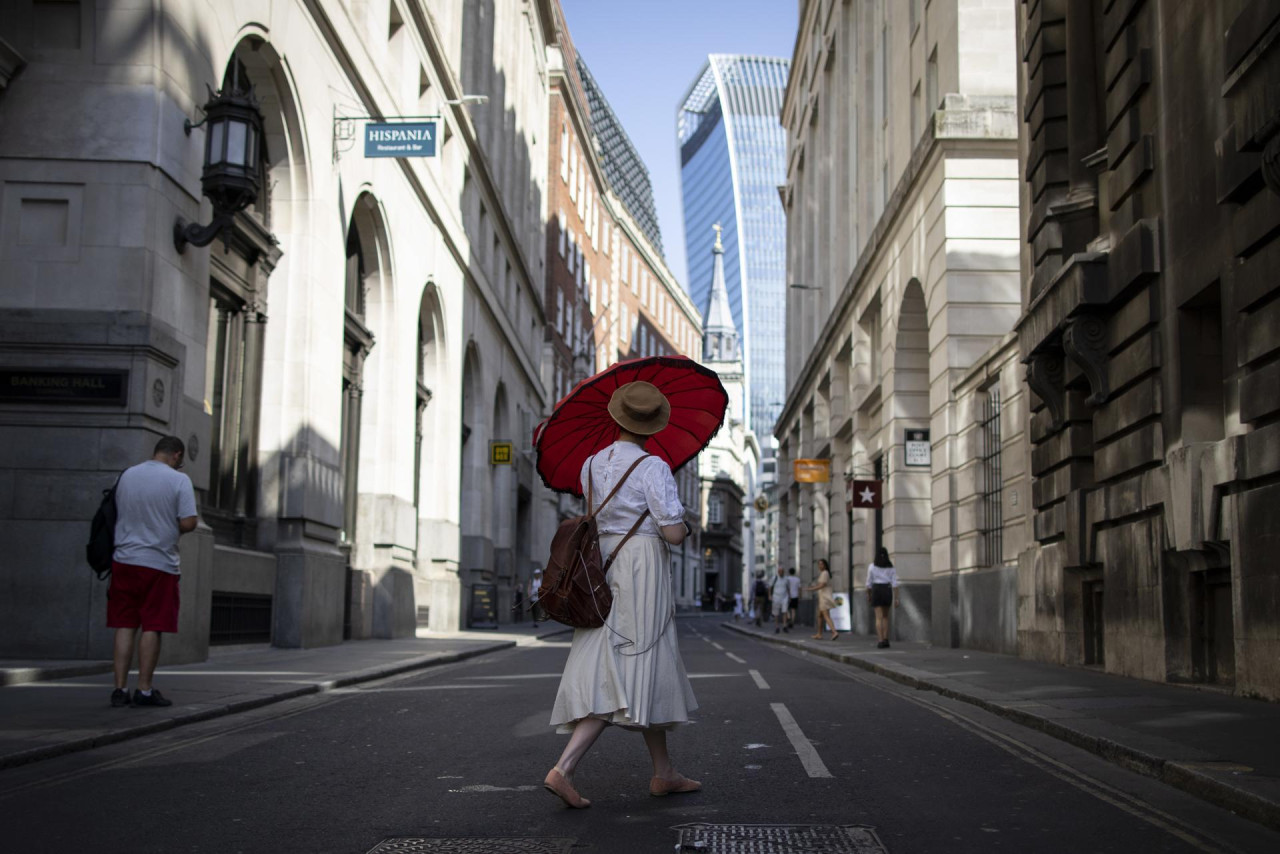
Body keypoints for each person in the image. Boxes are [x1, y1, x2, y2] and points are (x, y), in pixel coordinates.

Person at [544, 381, 700, 809]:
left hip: (601, 565)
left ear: (616, 418)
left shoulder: (591, 463)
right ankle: (564, 768)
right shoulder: (654, 467)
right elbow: (672, 534)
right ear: (654, 427)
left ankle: (663, 772)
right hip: (640, 566)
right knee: (630, 663)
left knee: (627, 662)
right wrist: (681, 523)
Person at [108, 436, 198, 708]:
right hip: (159, 563)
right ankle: (144, 690)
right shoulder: (178, 480)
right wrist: (172, 527)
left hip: (124, 560)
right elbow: (188, 521)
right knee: (152, 625)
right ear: (176, 455)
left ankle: (119, 689)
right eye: (180, 460)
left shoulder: (126, 476)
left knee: (125, 625)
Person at [867, 547, 900, 648]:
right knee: (886, 617)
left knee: (878, 617)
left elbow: (868, 583)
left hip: (876, 589)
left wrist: (869, 595)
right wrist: (896, 598)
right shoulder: (891, 567)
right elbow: (895, 583)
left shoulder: (872, 567)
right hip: (887, 589)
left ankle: (880, 640)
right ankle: (886, 639)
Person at [805, 558, 838, 641]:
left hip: (824, 598)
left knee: (826, 616)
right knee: (819, 616)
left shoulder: (825, 573)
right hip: (822, 597)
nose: (820, 566)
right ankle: (819, 634)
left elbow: (822, 585)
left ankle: (834, 632)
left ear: (825, 565)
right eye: (819, 564)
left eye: (822, 564)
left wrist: (811, 589)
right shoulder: (823, 573)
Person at [770, 565, 790, 634]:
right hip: (776, 597)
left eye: (782, 571)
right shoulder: (774, 578)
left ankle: (784, 626)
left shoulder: (786, 579)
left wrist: (789, 596)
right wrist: (769, 595)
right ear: (778, 572)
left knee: (785, 611)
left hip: (784, 597)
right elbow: (770, 587)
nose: (781, 572)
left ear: (783, 572)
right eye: (779, 571)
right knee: (776, 613)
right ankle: (777, 627)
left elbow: (788, 588)